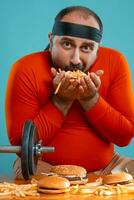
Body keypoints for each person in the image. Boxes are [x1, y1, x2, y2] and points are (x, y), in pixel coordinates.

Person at [5, 6, 134, 179]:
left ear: (98, 49)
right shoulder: (25, 69)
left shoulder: (115, 61)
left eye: (87, 48)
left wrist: (91, 100)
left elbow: (125, 136)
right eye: (67, 44)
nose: (75, 59)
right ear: (51, 40)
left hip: (108, 166)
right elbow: (22, 145)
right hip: (44, 167)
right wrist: (61, 101)